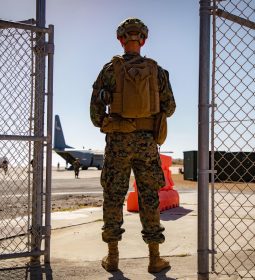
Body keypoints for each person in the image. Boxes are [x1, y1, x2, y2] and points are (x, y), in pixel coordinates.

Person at [90, 18, 176, 273]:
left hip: (117, 142)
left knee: (114, 196)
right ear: (144, 40)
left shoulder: (109, 70)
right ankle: (154, 258)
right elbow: (169, 108)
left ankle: (113, 256)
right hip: (146, 144)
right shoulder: (156, 71)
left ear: (120, 39)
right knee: (149, 196)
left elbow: (95, 115)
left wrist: (111, 117)